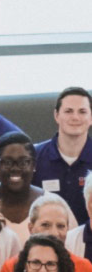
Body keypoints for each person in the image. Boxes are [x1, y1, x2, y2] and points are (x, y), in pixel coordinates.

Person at [0, 193, 92, 272]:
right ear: (31, 228)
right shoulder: (11, 268)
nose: (54, 233)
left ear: (68, 229)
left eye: (60, 226)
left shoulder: (84, 268)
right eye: (45, 225)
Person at [0, 130, 76, 244]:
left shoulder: (55, 204)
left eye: (23, 162)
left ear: (34, 165)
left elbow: (74, 250)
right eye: (7, 162)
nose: (15, 168)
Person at [34, 87, 92, 225]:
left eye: (82, 112)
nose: (75, 117)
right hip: (46, 242)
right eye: (68, 111)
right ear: (56, 115)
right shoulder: (33, 156)